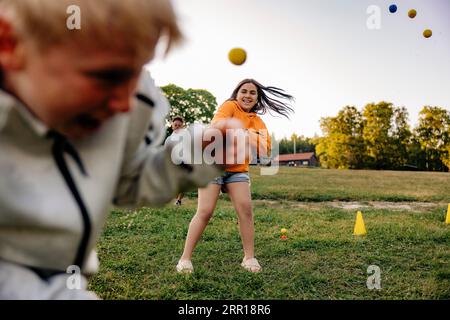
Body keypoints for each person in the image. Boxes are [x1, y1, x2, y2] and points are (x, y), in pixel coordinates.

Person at [0, 0, 241, 299]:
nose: (125, 105)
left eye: (137, 72)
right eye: (107, 76)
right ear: (9, 44)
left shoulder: (139, 99)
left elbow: (128, 178)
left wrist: (196, 153)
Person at [176, 79, 294, 274]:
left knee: (246, 210)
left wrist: (246, 134)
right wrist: (246, 134)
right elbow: (217, 126)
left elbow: (265, 150)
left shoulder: (257, 120)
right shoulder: (229, 106)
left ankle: (249, 257)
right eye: (244, 91)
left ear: (257, 98)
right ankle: (185, 259)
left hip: (237, 170)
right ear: (237, 94)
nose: (248, 95)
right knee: (205, 211)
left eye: (252, 93)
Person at [165, 116, 186, 205]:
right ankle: (176, 198)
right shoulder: (168, 139)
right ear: (172, 126)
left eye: (179, 125)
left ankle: (179, 200)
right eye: (175, 125)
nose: (177, 126)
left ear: (182, 127)